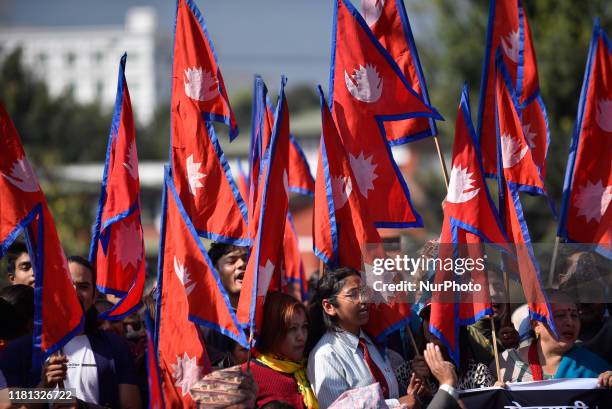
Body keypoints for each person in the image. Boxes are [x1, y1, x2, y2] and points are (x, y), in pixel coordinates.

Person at [0, 256, 142, 408]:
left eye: (83, 286)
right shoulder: (18, 349)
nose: (74, 291)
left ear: (94, 296)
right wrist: (44, 388)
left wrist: (82, 406)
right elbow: (7, 402)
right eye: (66, 284)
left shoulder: (115, 346)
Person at [307, 267, 421, 409]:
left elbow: (391, 393)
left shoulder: (372, 342)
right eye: (353, 294)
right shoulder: (326, 356)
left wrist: (408, 394)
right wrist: (397, 404)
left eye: (364, 292)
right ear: (329, 306)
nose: (363, 300)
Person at [494, 290, 612, 387]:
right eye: (560, 315)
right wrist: (495, 395)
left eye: (574, 315)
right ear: (536, 325)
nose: (570, 322)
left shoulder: (595, 367)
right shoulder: (505, 364)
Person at [242, 291, 316, 409]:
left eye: (304, 327)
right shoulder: (248, 376)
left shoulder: (310, 366)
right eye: (292, 329)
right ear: (272, 331)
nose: (301, 336)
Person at [201, 242, 249, 368]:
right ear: (215, 271)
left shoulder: (261, 315)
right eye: (231, 261)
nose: (241, 264)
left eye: (246, 259)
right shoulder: (204, 323)